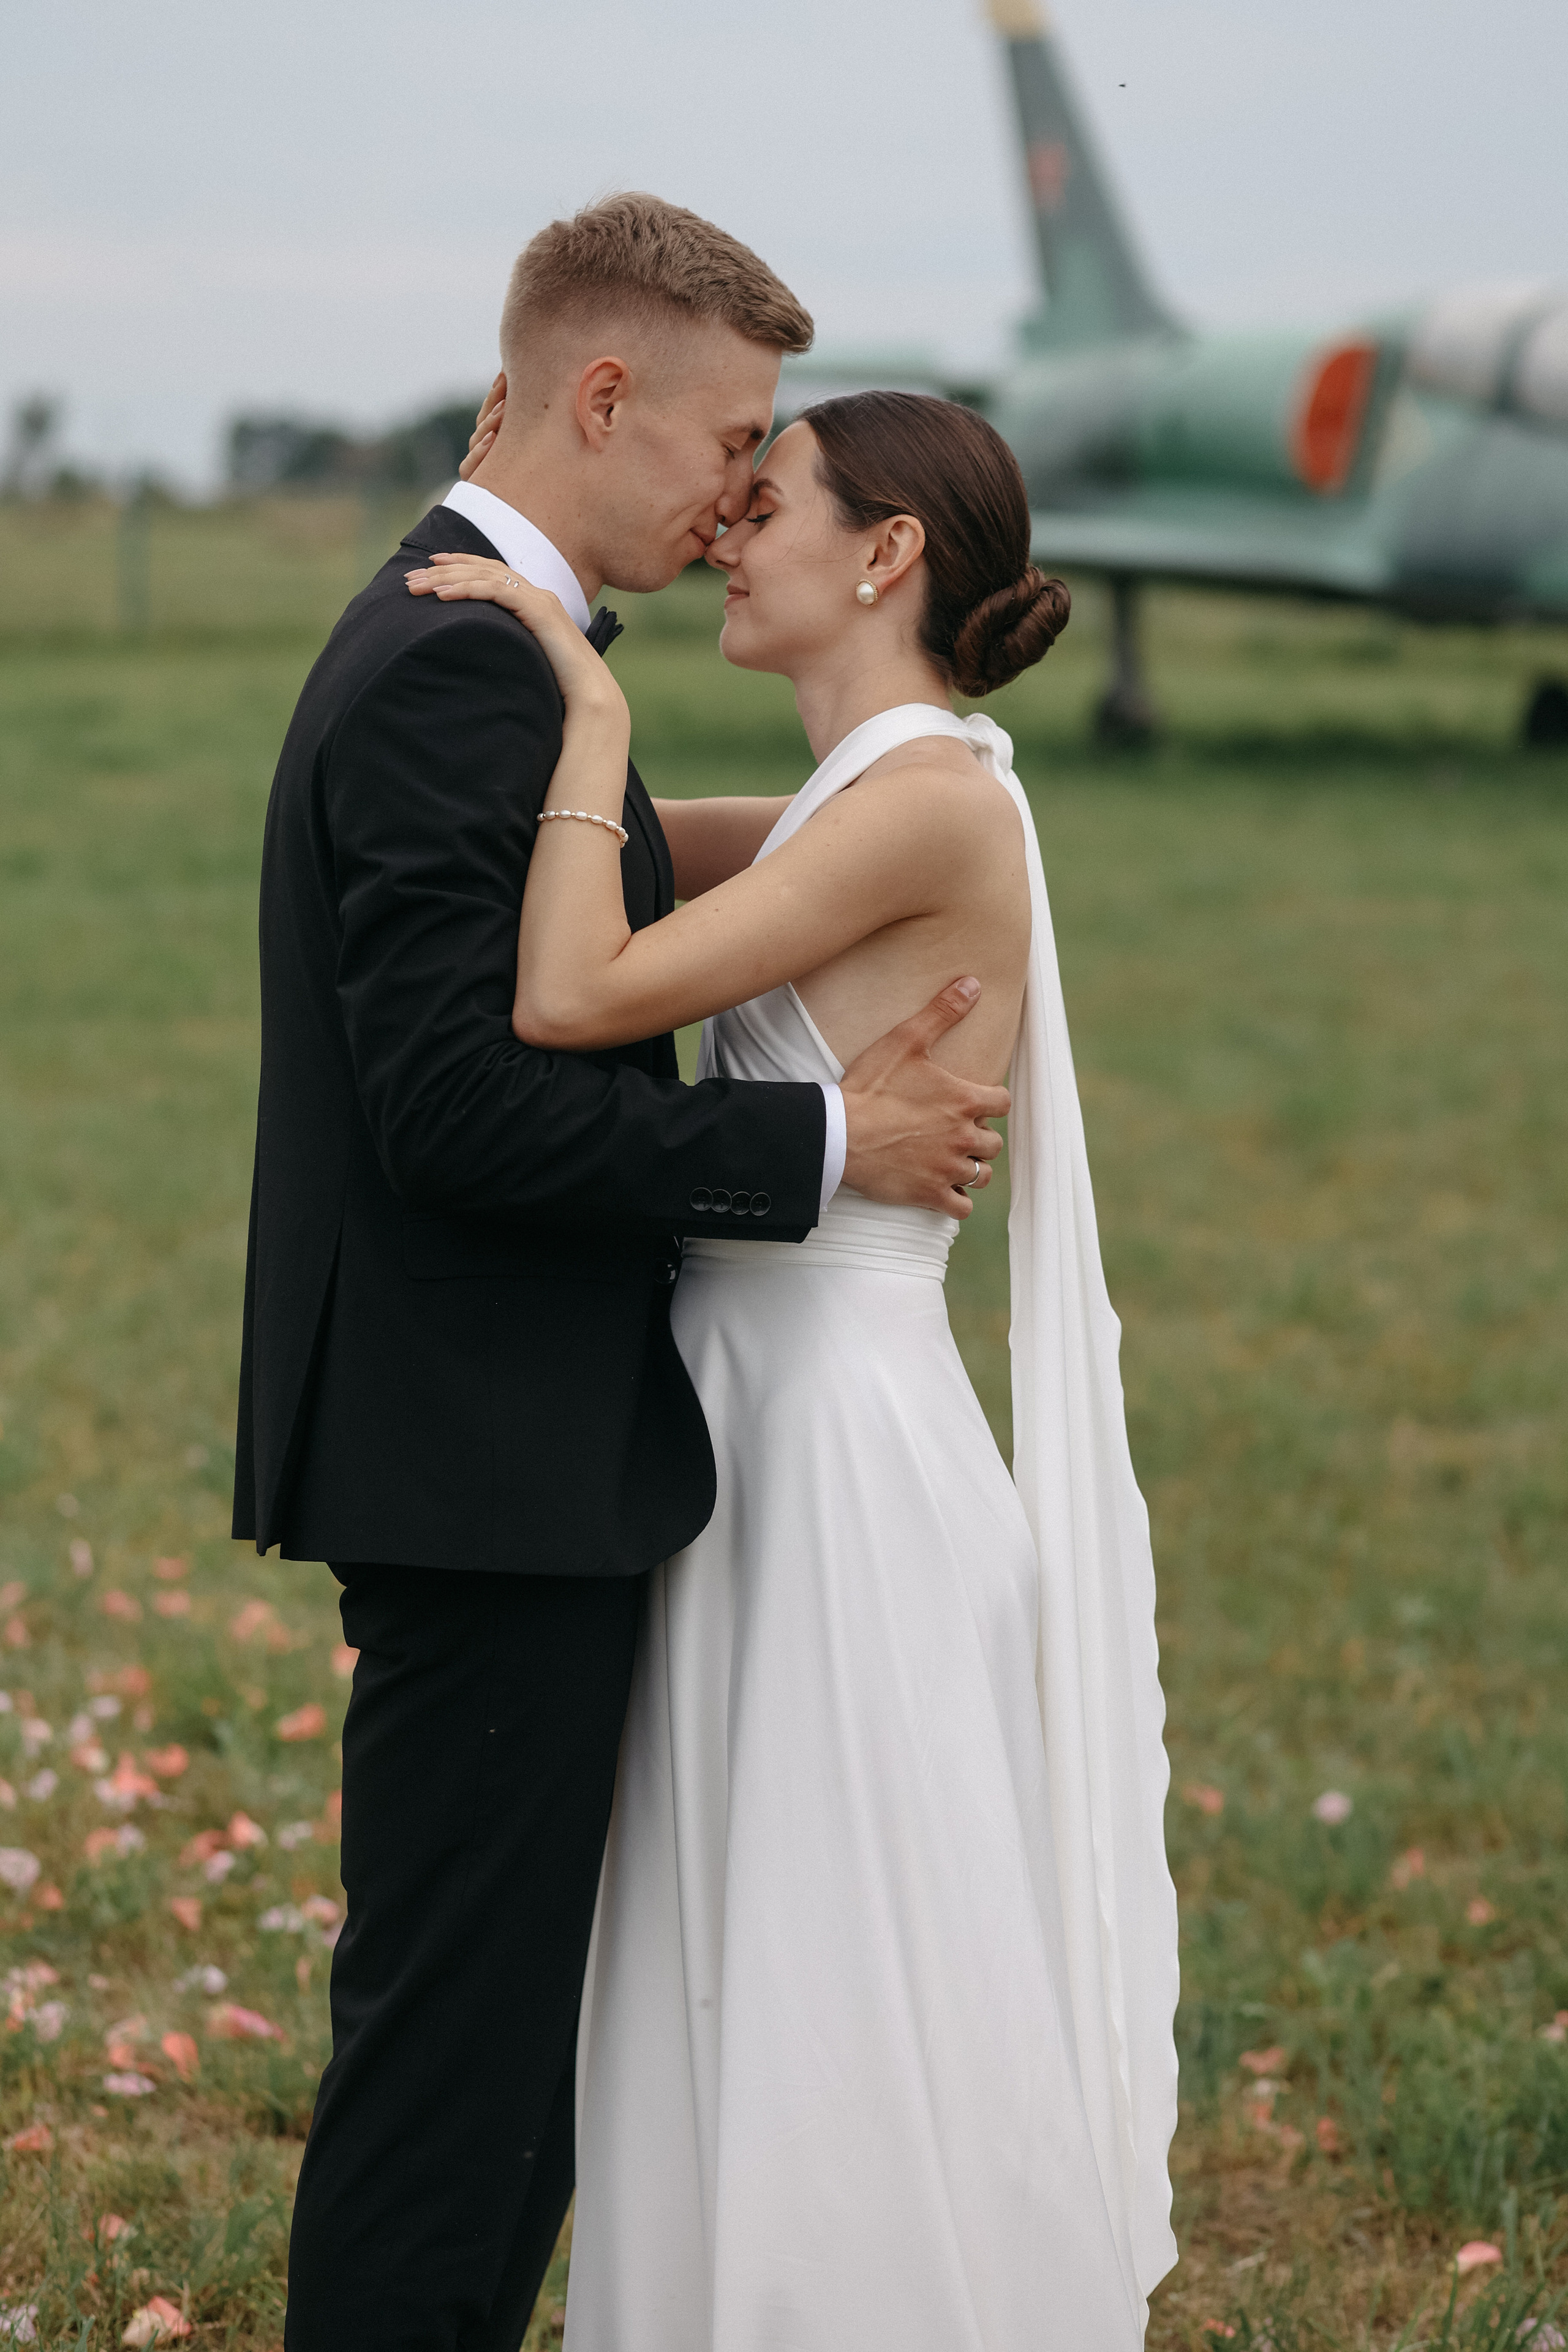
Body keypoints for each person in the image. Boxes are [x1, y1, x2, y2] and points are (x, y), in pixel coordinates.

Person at [233, 197, 1010, 2352]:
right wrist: (830, 1139)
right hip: (483, 1461)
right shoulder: (473, 660)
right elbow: (460, 1116)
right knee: (460, 2080)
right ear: (602, 400)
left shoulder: (467, 633)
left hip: (484, 1444)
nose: (740, 491)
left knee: (493, 2063)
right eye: (727, 438)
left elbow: (575, 890)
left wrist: (886, 795)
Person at [415, 387, 1180, 2348]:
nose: (726, 538)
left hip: (834, 1451)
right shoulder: (877, 790)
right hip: (754, 1419)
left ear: (887, 551)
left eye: (769, 505)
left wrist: (586, 713)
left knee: (842, 1968)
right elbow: (631, 872)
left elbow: (577, 983)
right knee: (739, 1952)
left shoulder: (929, 800)